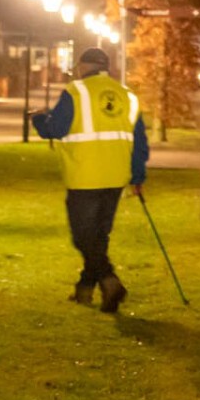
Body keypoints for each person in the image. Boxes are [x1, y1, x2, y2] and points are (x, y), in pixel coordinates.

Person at [31, 46, 148, 313]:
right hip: (116, 175)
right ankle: (85, 289)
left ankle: (110, 281)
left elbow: (55, 129)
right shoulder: (127, 95)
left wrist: (38, 119)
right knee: (99, 236)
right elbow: (139, 140)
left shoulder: (76, 92)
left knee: (83, 237)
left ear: (83, 67)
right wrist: (138, 176)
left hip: (85, 175)